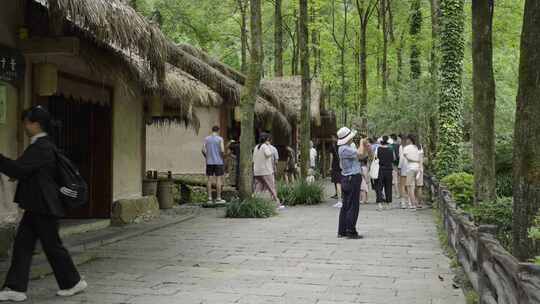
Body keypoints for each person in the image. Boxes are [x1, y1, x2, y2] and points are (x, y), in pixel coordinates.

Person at [0, 106, 87, 302]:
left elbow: (18, 169)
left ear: (35, 124)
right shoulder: (42, 145)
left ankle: (72, 282)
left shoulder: (41, 147)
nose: (24, 126)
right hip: (38, 205)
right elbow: (28, 170)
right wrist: (19, 172)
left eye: (26, 122)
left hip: (44, 206)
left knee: (52, 247)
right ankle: (15, 288)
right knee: (24, 246)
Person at [336, 127, 367, 239]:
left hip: (347, 178)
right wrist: (361, 143)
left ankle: (342, 231)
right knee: (353, 205)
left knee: (346, 205)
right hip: (351, 178)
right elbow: (360, 153)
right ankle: (350, 230)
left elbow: (361, 155)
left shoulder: (346, 148)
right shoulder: (344, 149)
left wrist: (364, 146)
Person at [253, 133, 283, 209]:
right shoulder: (265, 146)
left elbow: (253, 159)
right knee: (271, 187)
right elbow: (268, 154)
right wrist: (271, 149)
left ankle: (254, 201)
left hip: (257, 171)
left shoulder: (256, 147)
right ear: (266, 140)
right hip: (266, 171)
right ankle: (277, 203)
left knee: (258, 188)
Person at [202, 126, 226, 204]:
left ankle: (209, 198)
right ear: (218, 130)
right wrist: (222, 157)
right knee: (218, 179)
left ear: (211, 130)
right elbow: (222, 150)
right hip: (218, 162)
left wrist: (206, 156)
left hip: (209, 162)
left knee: (209, 180)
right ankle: (218, 198)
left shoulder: (207, 138)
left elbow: (202, 150)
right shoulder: (220, 139)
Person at [403, 134, 423, 210]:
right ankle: (419, 204)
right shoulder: (419, 146)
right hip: (419, 168)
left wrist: (414, 160)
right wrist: (420, 166)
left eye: (407, 139)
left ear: (409, 140)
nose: (406, 141)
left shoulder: (406, 148)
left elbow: (408, 159)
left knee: (409, 186)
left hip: (410, 168)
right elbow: (421, 158)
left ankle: (413, 204)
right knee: (419, 186)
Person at [376, 136, 395, 211]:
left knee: (379, 187)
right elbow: (393, 158)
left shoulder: (378, 149)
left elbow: (375, 159)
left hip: (380, 169)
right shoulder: (391, 149)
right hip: (389, 170)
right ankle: (388, 204)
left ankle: (380, 204)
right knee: (388, 186)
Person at [329, 135, 343, 208]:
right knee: (342, 182)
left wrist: (330, 166)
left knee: (338, 183)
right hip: (343, 166)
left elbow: (331, 157)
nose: (332, 139)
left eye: (333, 137)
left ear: (335, 138)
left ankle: (340, 201)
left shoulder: (333, 146)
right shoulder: (342, 145)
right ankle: (342, 199)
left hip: (335, 166)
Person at [398, 134, 409, 209]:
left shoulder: (401, 147)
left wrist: (399, 167)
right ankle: (410, 201)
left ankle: (403, 202)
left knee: (402, 185)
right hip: (411, 167)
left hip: (404, 167)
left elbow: (401, 158)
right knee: (410, 185)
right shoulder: (413, 147)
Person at [390, 134, 401, 198]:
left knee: (395, 179)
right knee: (400, 179)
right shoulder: (399, 145)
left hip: (393, 163)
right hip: (400, 163)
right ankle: (401, 193)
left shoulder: (391, 146)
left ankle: (397, 194)